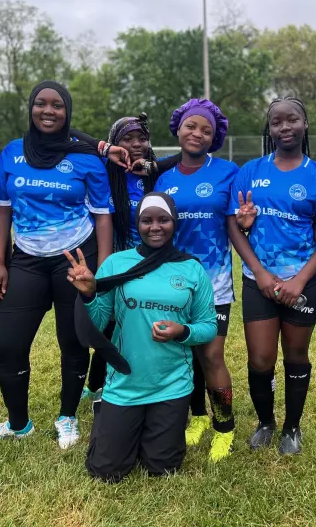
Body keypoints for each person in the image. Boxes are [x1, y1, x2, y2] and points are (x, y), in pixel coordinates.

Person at [0, 81, 114, 450]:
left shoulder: (86, 157)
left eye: (57, 105)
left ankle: (67, 417)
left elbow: (103, 216)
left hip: (75, 258)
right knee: (8, 343)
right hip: (26, 259)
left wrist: (100, 269)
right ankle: (18, 423)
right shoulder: (11, 153)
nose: (48, 111)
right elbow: (3, 210)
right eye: (41, 103)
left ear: (67, 111)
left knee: (73, 341)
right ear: (31, 108)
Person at [68, 192, 217, 482]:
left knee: (162, 468)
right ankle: (110, 416)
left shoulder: (192, 269)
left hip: (172, 384)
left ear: (174, 223)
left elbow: (208, 326)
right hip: (125, 384)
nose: (155, 226)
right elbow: (98, 324)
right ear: (138, 224)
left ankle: (153, 428)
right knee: (106, 471)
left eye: (163, 220)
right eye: (147, 220)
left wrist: (182, 331)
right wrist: (88, 294)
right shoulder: (116, 263)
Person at [226, 97, 316, 455]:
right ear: (269, 128)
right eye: (276, 122)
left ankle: (291, 427)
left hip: (304, 282)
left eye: (292, 120)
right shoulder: (251, 171)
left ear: (305, 124)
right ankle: (266, 422)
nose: (284, 127)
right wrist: (259, 272)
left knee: (295, 355)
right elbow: (233, 223)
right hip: (259, 279)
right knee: (260, 358)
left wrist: (299, 281)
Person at [154, 99, 252, 462]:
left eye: (206, 130)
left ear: (215, 137)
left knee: (211, 355)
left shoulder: (227, 172)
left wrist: (245, 221)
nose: (197, 133)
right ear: (178, 129)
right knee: (183, 354)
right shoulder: (164, 179)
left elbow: (239, 221)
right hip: (174, 282)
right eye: (191, 126)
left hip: (215, 283)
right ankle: (196, 417)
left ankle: (224, 427)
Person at [81, 114, 181, 403]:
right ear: (115, 142)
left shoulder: (154, 174)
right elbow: (72, 135)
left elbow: (190, 155)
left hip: (152, 263)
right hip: (114, 263)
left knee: (140, 324)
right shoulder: (103, 169)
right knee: (109, 325)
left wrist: (153, 165)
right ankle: (96, 384)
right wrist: (104, 148)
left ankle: (151, 380)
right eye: (127, 138)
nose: (136, 144)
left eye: (141, 138)